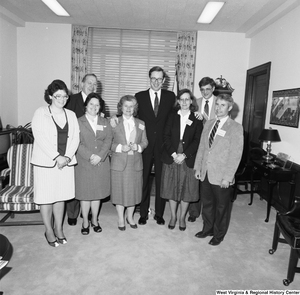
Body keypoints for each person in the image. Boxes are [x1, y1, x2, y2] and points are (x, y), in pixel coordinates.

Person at [31, 80, 80, 247]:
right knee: (46, 198)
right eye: (58, 96)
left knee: (61, 197)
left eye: (64, 96)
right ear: (50, 96)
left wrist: (66, 157)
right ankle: (49, 230)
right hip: (46, 163)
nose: (62, 99)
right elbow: (40, 137)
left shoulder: (71, 115)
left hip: (65, 163)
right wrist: (56, 157)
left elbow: (75, 138)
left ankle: (59, 228)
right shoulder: (40, 112)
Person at [194, 93, 243, 246]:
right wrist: (198, 167)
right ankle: (207, 228)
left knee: (222, 207)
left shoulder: (235, 128)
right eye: (217, 104)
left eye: (223, 105)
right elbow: (202, 148)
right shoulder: (208, 124)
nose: (219, 108)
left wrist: (228, 177)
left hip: (222, 175)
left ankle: (218, 234)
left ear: (229, 108)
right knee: (207, 203)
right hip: (206, 172)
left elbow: (235, 155)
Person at [135, 66, 176, 226]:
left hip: (163, 146)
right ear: (149, 79)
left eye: (160, 79)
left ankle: (159, 213)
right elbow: (131, 115)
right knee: (144, 180)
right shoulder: (140, 96)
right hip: (145, 146)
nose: (156, 82)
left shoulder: (170, 96)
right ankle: (143, 213)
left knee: (161, 181)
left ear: (164, 81)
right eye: (153, 78)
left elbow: (178, 116)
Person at [161, 89, 203, 231]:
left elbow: (198, 141)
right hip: (172, 155)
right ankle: (173, 216)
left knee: (186, 189)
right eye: (182, 99)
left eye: (187, 99)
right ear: (178, 101)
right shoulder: (171, 116)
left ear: (191, 101)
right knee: (172, 188)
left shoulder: (196, 119)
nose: (184, 102)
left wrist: (184, 155)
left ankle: (182, 217)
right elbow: (165, 136)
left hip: (188, 157)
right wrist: (174, 154)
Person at [75, 92, 112, 235]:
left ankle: (95, 220)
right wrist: (91, 156)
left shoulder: (105, 122)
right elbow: (76, 142)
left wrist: (100, 156)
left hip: (101, 163)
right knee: (85, 195)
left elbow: (108, 140)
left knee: (97, 194)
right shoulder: (78, 121)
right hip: (84, 163)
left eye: (97, 105)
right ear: (86, 105)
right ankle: (85, 222)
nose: (94, 107)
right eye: (91, 104)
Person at [64, 73, 98, 226]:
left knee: (90, 182)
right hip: (75, 148)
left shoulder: (97, 101)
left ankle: (90, 214)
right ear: (82, 83)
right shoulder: (72, 100)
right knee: (75, 182)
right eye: (89, 82)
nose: (92, 86)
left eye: (94, 84)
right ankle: (72, 213)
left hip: (92, 149)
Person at [110, 95, 148, 231]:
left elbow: (145, 141)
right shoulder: (114, 122)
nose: (128, 109)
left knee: (133, 192)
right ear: (121, 107)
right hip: (119, 162)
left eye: (131, 106)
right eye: (125, 106)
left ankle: (130, 217)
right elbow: (109, 143)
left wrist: (138, 147)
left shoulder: (141, 123)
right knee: (119, 192)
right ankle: (121, 218)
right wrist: (120, 147)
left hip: (135, 162)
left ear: (135, 108)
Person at [188, 77, 217, 223]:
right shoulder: (195, 103)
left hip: (213, 146)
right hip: (197, 145)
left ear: (213, 89)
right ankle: (193, 211)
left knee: (210, 180)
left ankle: (209, 213)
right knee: (196, 178)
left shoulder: (220, 103)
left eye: (208, 89)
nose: (205, 92)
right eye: (202, 89)